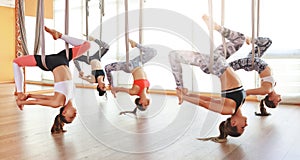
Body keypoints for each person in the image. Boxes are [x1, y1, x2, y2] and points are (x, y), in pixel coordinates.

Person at [168, 15, 248, 141]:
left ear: (233, 123)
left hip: (213, 64)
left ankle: (179, 86)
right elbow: (207, 98)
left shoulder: (228, 109)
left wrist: (185, 96)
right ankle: (215, 26)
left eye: (242, 127)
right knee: (240, 39)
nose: (246, 125)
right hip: (219, 61)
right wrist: (190, 95)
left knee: (173, 55)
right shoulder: (239, 104)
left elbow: (205, 103)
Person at [13, 26, 90, 133]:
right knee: (87, 45)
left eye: (71, 117)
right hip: (64, 58)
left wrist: (21, 101)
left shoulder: (58, 103)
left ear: (64, 113)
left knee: (16, 62)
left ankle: (19, 91)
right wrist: (30, 95)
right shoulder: (70, 99)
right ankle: (59, 35)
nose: (75, 116)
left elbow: (38, 102)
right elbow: (46, 97)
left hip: (50, 63)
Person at [202, 15, 281, 112]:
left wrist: (237, 103)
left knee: (225, 68)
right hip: (255, 62)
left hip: (254, 63)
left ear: (270, 99)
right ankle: (250, 39)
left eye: (277, 102)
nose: (280, 100)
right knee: (267, 42)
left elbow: (246, 93)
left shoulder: (266, 90)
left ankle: (209, 67)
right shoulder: (270, 88)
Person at [104, 39, 157, 112]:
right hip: (139, 63)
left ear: (140, 102)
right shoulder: (147, 89)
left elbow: (120, 88)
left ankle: (110, 83)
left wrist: (113, 88)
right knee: (153, 52)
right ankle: (135, 44)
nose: (148, 104)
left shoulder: (134, 92)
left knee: (107, 68)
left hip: (130, 67)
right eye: (147, 105)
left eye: (145, 105)